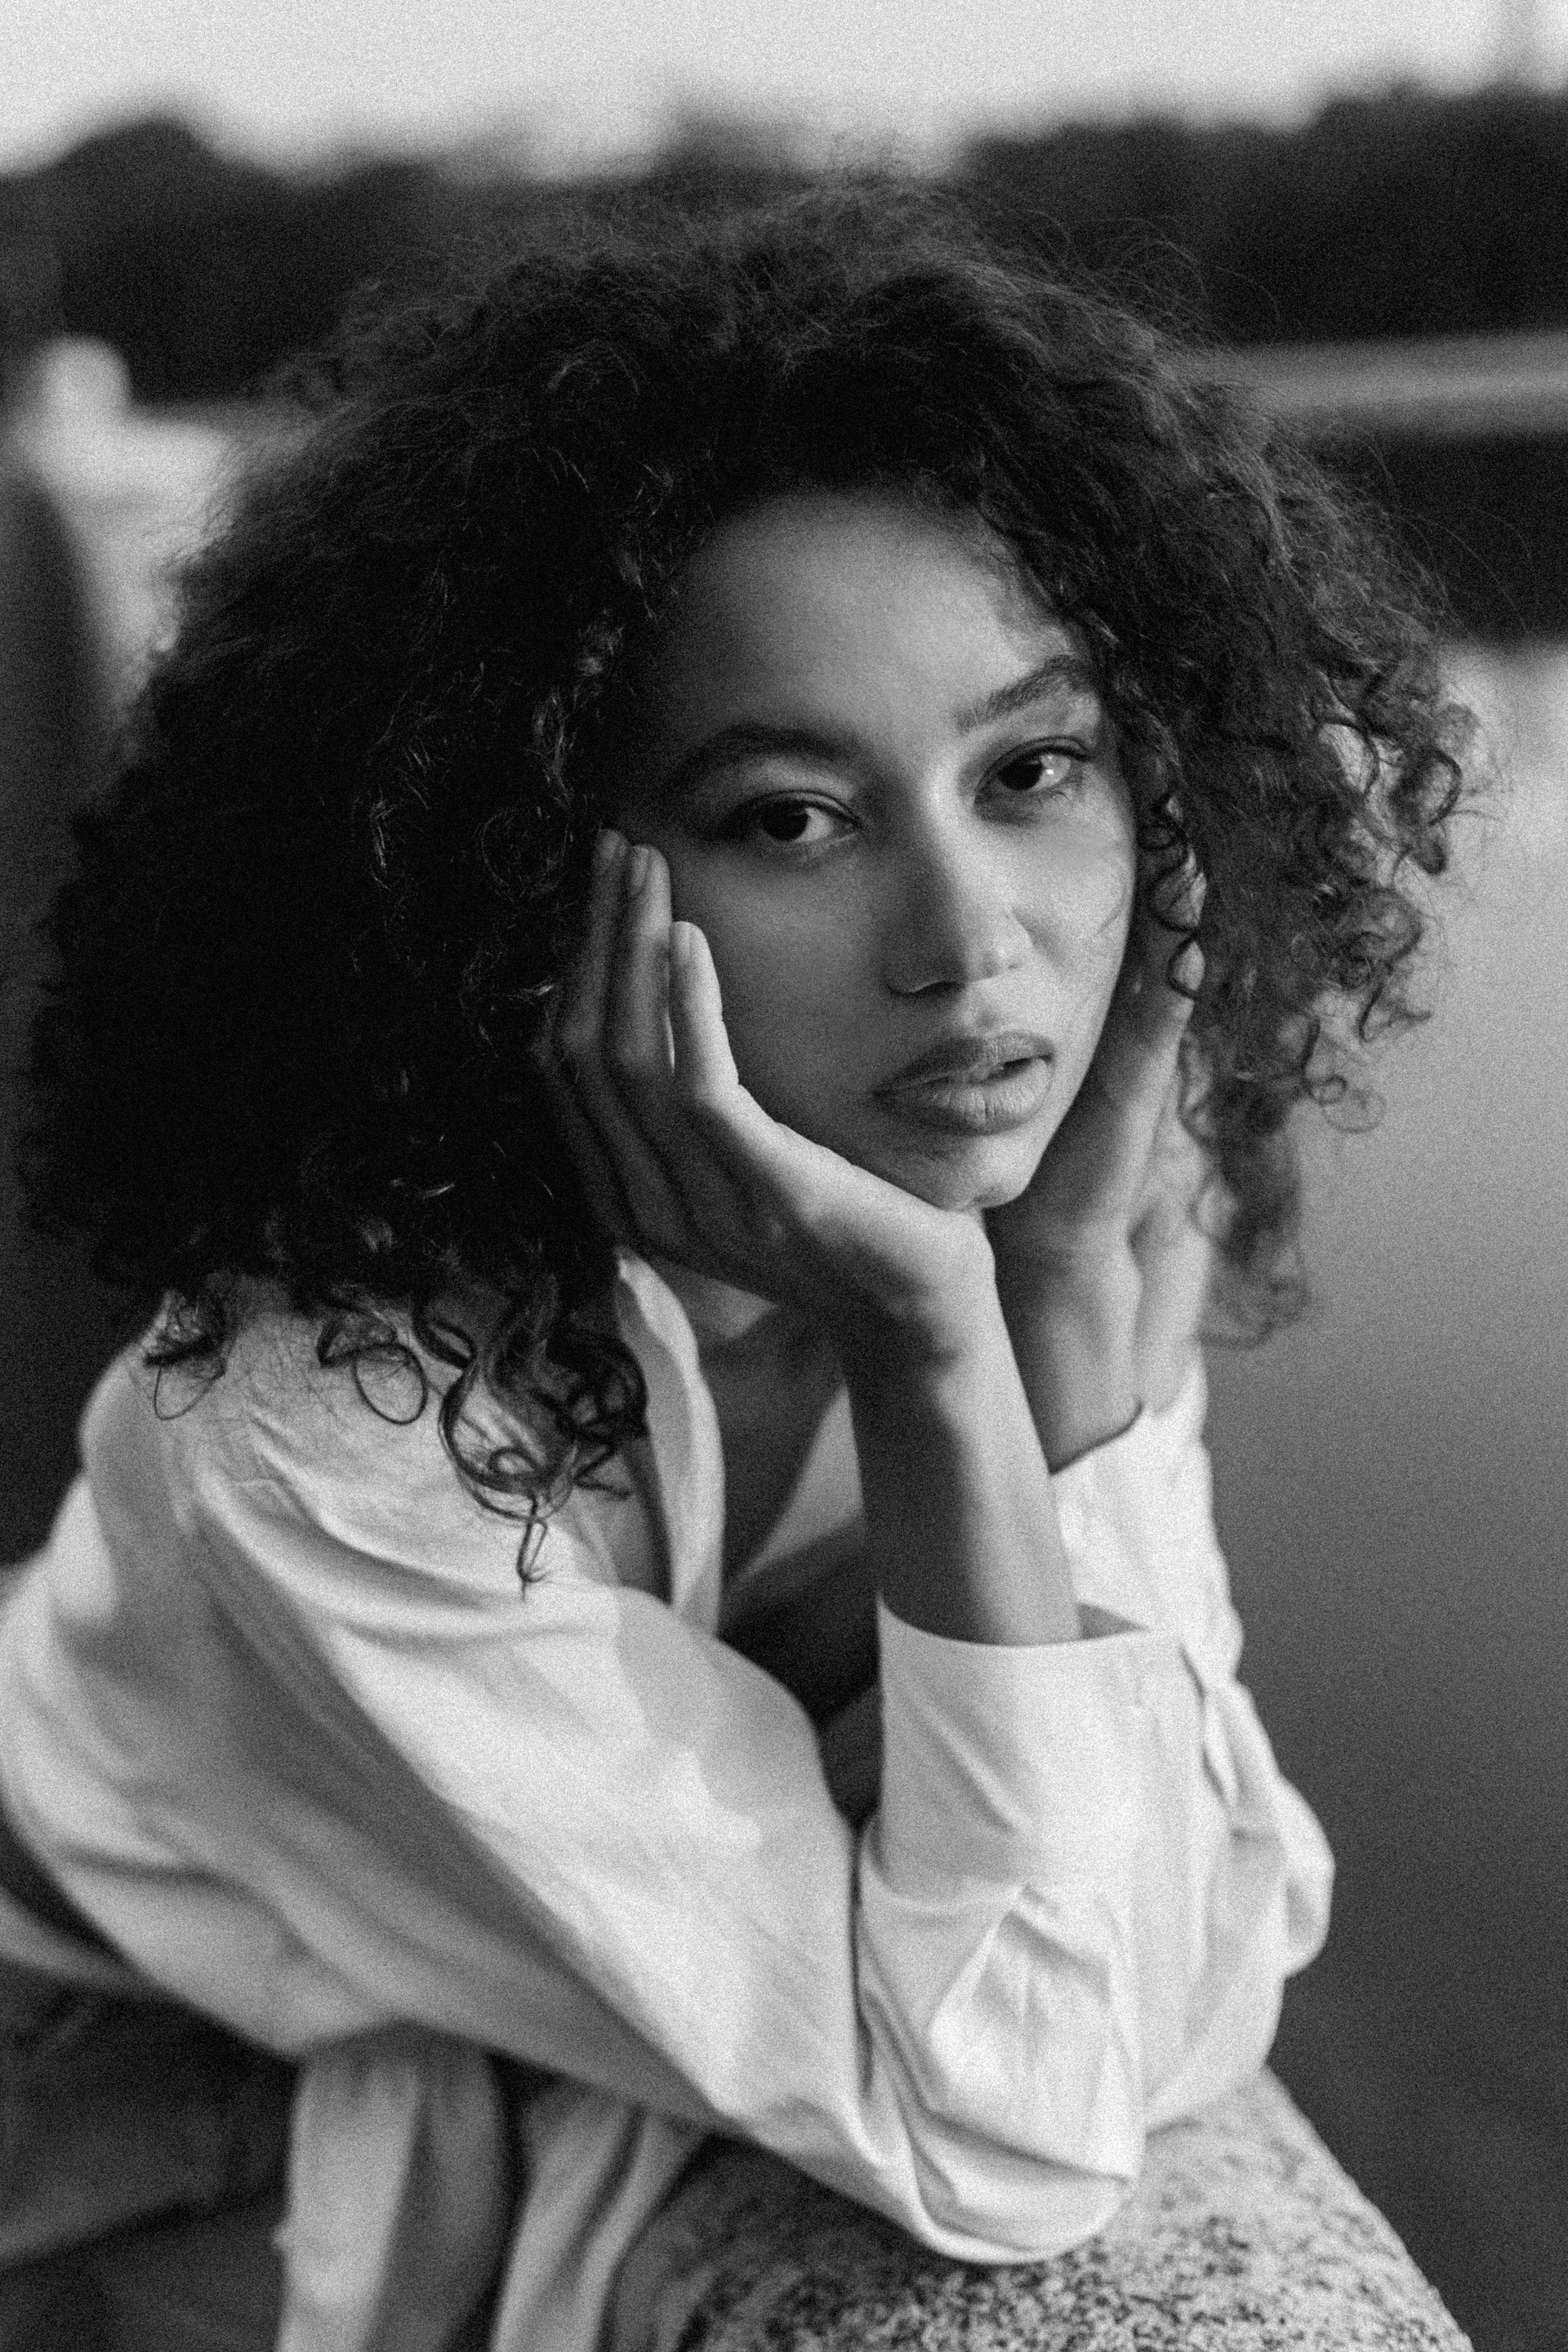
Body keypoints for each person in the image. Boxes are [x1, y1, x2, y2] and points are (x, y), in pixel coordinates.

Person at [0, 182, 1465, 2350]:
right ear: (523, 874)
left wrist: (1056, 1321)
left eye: (1032, 768)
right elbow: (1026, 2124)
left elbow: (1223, 1932)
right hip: (111, 2066)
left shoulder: (1054, 1206)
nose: (969, 941)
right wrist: (954, 1352)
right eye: (793, 815)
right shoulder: (339, 1424)